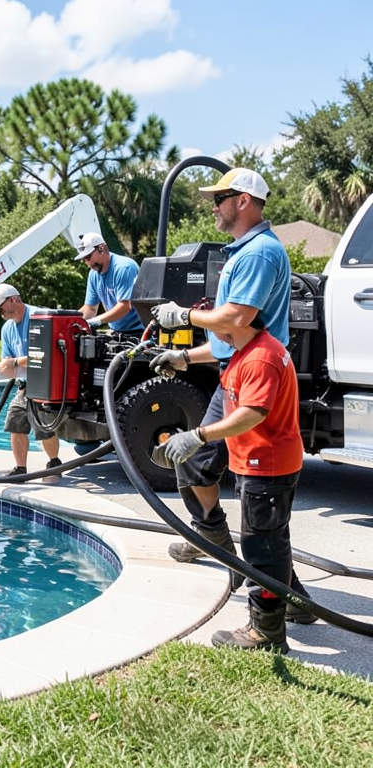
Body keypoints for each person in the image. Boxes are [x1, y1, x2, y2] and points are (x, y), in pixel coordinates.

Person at [150, 167, 314, 623]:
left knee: (260, 509)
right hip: (235, 371)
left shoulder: (260, 253)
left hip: (253, 380)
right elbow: (230, 336)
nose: (214, 205)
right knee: (194, 466)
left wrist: (181, 315)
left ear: (243, 200)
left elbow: (237, 319)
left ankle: (281, 594)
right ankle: (214, 539)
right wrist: (187, 359)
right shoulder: (244, 251)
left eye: (220, 197)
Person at [158, 319, 301, 652]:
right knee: (270, 541)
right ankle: (295, 604)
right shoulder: (246, 349)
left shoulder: (260, 358)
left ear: (235, 323)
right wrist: (182, 359)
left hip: (266, 466)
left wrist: (199, 435)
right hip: (261, 463)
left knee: (262, 549)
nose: (212, 331)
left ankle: (266, 633)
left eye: (217, 323)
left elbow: (252, 412)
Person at [0, 283, 63, 476]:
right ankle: (20, 469)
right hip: (24, 385)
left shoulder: (40, 318)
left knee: (43, 428)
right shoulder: (7, 329)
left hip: (45, 383)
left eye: (0, 306)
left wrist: (15, 362)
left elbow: (44, 355)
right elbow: (6, 362)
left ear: (13, 300)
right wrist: (14, 363)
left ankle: (54, 463)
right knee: (15, 421)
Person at [75, 232, 146, 335]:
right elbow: (90, 308)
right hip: (116, 332)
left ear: (102, 248)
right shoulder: (93, 274)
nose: (87, 263)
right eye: (84, 259)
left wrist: (96, 321)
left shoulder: (123, 268)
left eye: (88, 257)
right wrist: (72, 321)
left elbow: (125, 306)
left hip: (140, 332)